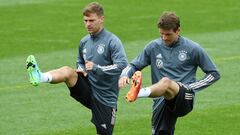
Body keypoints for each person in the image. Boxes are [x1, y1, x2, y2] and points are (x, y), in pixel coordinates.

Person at [26, 2, 128, 135]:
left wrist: (96, 68)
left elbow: (122, 65)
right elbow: (80, 61)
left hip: (105, 98)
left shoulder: (112, 41)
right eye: (85, 21)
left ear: (101, 19)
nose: (88, 24)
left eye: (91, 20)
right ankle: (40, 76)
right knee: (68, 71)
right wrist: (81, 69)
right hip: (88, 88)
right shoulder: (84, 41)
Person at [119, 11, 220, 135]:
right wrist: (124, 75)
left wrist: (192, 87)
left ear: (178, 31)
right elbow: (134, 65)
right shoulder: (153, 47)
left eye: (168, 34)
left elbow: (214, 73)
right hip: (161, 101)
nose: (164, 38)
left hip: (184, 96)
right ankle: (139, 93)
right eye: (161, 34)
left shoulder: (193, 49)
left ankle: (138, 93)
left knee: (166, 82)